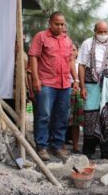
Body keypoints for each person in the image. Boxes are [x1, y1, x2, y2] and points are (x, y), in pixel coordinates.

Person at [28, 11, 78, 161]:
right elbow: (33, 57)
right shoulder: (41, 37)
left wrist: (75, 80)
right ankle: (41, 146)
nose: (60, 27)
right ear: (50, 23)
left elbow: (70, 61)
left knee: (62, 116)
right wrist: (35, 79)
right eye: (57, 24)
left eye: (62, 24)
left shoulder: (67, 40)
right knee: (44, 115)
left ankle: (56, 145)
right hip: (46, 83)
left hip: (64, 84)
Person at [77, 21, 108, 160]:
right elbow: (81, 65)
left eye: (105, 32)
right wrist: (82, 86)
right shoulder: (87, 44)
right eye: (100, 32)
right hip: (91, 84)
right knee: (90, 115)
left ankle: (107, 151)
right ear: (95, 31)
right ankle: (89, 151)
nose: (103, 35)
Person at [68, 43, 84, 153]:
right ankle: (61, 144)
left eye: (74, 49)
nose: (72, 52)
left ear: (78, 51)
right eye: (70, 49)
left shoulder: (81, 64)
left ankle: (75, 146)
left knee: (76, 122)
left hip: (78, 94)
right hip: (66, 91)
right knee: (64, 119)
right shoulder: (65, 62)